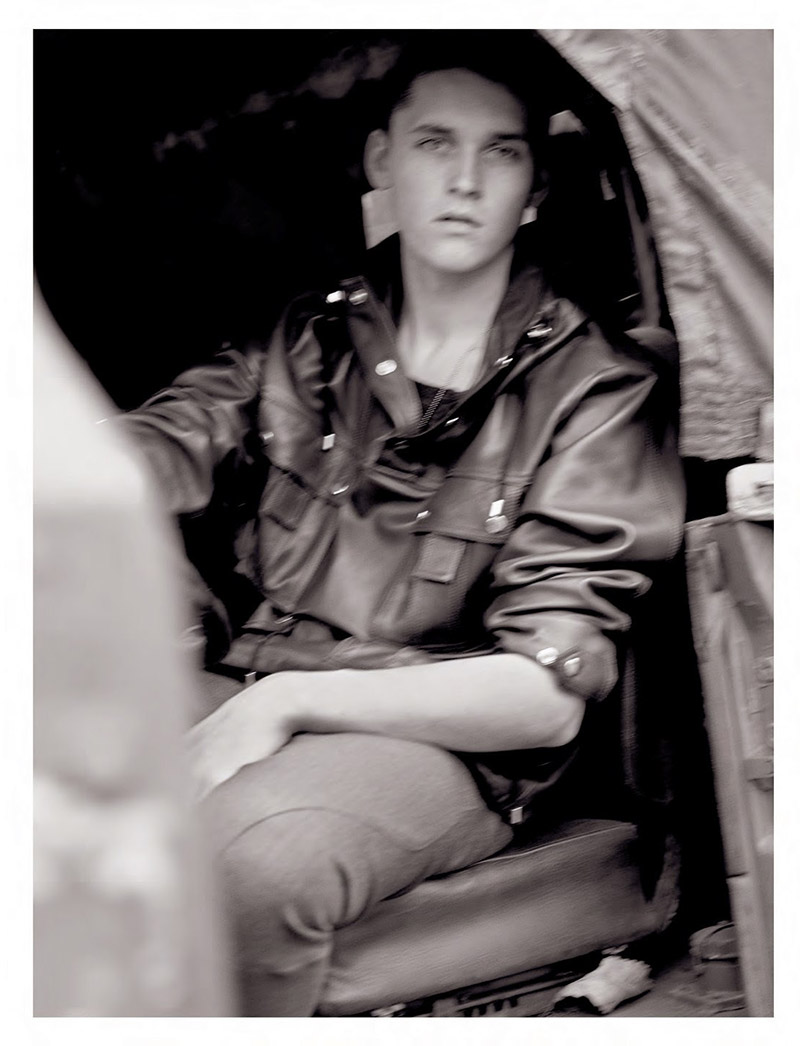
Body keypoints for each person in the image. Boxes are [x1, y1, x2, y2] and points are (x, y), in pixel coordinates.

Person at [123, 38, 685, 1016]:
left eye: (500, 151)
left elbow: (543, 697)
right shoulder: (307, 333)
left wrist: (288, 703)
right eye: (434, 143)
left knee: (246, 860)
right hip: (247, 676)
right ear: (382, 159)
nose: (465, 179)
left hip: (447, 742)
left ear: (535, 186)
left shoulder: (597, 387)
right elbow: (153, 448)